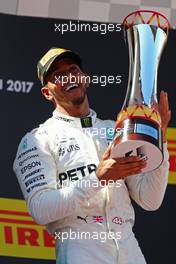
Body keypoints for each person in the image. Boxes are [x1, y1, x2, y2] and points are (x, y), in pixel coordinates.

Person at [13, 47, 171, 264]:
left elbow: (150, 200)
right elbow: (41, 209)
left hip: (128, 246)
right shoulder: (37, 139)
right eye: (58, 75)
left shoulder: (116, 130)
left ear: (85, 79)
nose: (69, 77)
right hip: (80, 246)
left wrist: (159, 140)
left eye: (73, 69)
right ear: (47, 93)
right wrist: (98, 179)